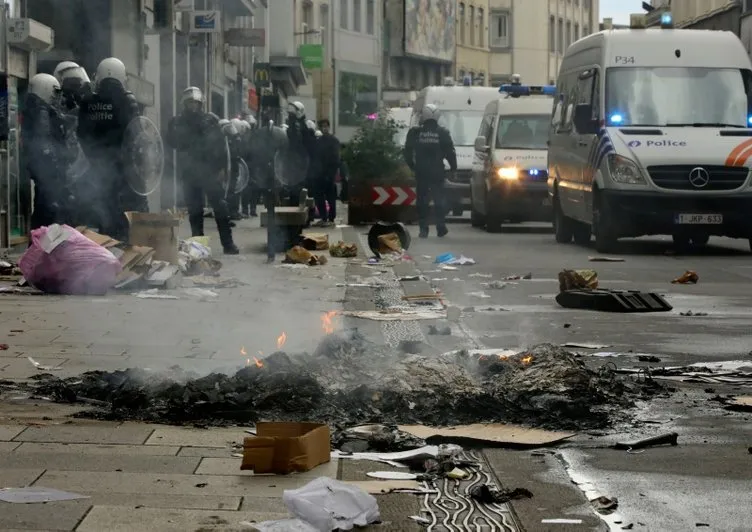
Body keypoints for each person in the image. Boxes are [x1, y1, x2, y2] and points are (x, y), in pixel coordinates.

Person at [77, 57, 146, 240]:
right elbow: (137, 134)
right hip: (124, 168)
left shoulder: (88, 101)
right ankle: (125, 250)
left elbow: (81, 134)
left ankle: (106, 248)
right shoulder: (127, 100)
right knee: (126, 212)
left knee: (102, 211)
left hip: (96, 167)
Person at [166, 86, 239, 254]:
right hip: (190, 171)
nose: (193, 105)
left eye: (196, 102)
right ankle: (199, 247)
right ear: (184, 103)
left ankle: (228, 244)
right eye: (190, 102)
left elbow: (221, 145)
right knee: (195, 211)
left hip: (210, 170)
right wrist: (171, 129)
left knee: (220, 207)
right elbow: (172, 143)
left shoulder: (210, 120)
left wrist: (221, 168)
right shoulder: (178, 122)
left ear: (201, 104)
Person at [22, 74, 71, 231]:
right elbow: (46, 148)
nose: (57, 98)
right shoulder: (42, 113)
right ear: (45, 89)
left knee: (41, 223)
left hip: (41, 181)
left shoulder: (34, 111)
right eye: (54, 92)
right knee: (48, 224)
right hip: (48, 182)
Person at [404, 103, 456, 238]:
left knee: (422, 201)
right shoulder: (442, 133)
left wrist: (412, 166)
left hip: (421, 172)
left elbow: (407, 152)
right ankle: (440, 226)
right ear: (437, 116)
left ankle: (423, 229)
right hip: (437, 172)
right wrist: (453, 168)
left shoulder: (415, 132)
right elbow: (450, 153)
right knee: (439, 200)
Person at [283, 102, 317, 207]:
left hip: (302, 162)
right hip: (293, 162)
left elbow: (307, 144)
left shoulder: (305, 126)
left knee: (301, 188)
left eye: (294, 112)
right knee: (294, 188)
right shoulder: (292, 126)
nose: (291, 114)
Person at [314, 119, 341, 226]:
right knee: (319, 196)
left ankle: (331, 218)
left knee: (330, 197)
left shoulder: (333, 140)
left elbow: (336, 158)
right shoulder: (319, 141)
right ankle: (324, 217)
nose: (324, 128)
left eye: (326, 126)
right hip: (320, 174)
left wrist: (331, 173)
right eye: (322, 126)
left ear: (328, 127)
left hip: (329, 173)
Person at [240, 115, 263, 217]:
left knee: (253, 189)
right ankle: (247, 209)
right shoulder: (244, 139)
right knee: (247, 188)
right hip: (248, 166)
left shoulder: (255, 138)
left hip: (254, 166)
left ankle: (251, 209)